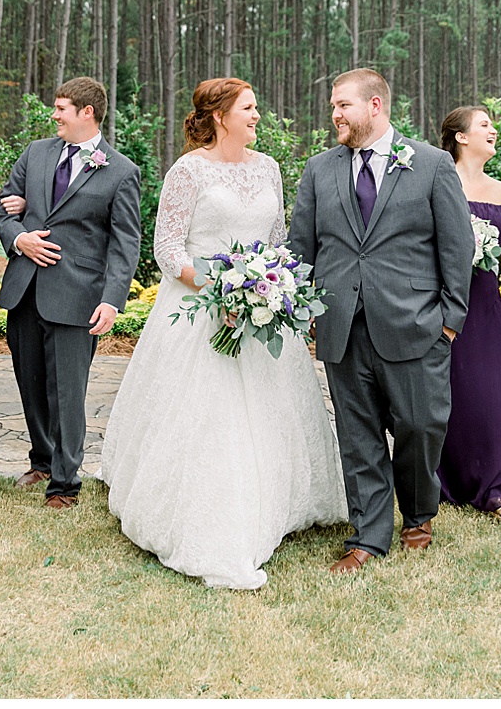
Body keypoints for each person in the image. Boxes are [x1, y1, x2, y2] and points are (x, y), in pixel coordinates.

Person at [100, 78, 347, 589]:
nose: (257, 115)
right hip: (198, 313)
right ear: (219, 116)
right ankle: (209, 518)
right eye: (249, 108)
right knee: (208, 419)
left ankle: (277, 504)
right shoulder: (188, 171)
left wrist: (267, 289)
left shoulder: (269, 169)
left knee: (271, 411)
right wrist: (218, 286)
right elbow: (166, 249)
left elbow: (279, 242)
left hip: (262, 312)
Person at [287, 68, 473, 572]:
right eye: (332, 106)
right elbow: (301, 247)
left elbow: (457, 246)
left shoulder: (432, 165)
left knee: (420, 424)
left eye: (342, 105)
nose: (334, 116)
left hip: (416, 323)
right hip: (341, 324)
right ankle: (368, 535)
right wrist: (302, 307)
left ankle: (418, 514)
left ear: (374, 106)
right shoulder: (319, 170)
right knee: (359, 434)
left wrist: (450, 319)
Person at [0, 77, 143, 509]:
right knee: (30, 383)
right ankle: (41, 459)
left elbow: (125, 242)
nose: (54, 116)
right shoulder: (36, 154)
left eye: (61, 108)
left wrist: (112, 300)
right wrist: (19, 238)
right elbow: (2, 205)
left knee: (68, 392)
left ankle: (64, 482)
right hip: (25, 289)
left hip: (78, 296)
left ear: (86, 112)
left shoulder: (121, 171)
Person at [435, 105, 501, 522]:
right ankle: (445, 480)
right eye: (484, 125)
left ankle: (496, 488)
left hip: (486, 302)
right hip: (443, 300)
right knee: (449, 390)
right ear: (460, 137)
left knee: (491, 389)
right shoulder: (438, 182)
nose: (493, 130)